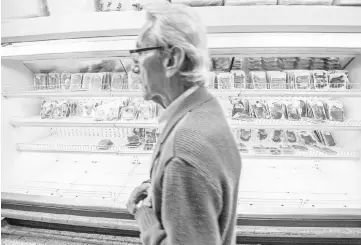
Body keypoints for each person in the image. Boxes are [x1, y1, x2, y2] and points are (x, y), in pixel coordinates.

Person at [126, 3, 241, 245]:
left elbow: (187, 166)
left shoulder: (184, 153)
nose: (134, 67)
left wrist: (144, 213)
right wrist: (159, 188)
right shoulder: (205, 107)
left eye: (139, 52)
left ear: (172, 59)